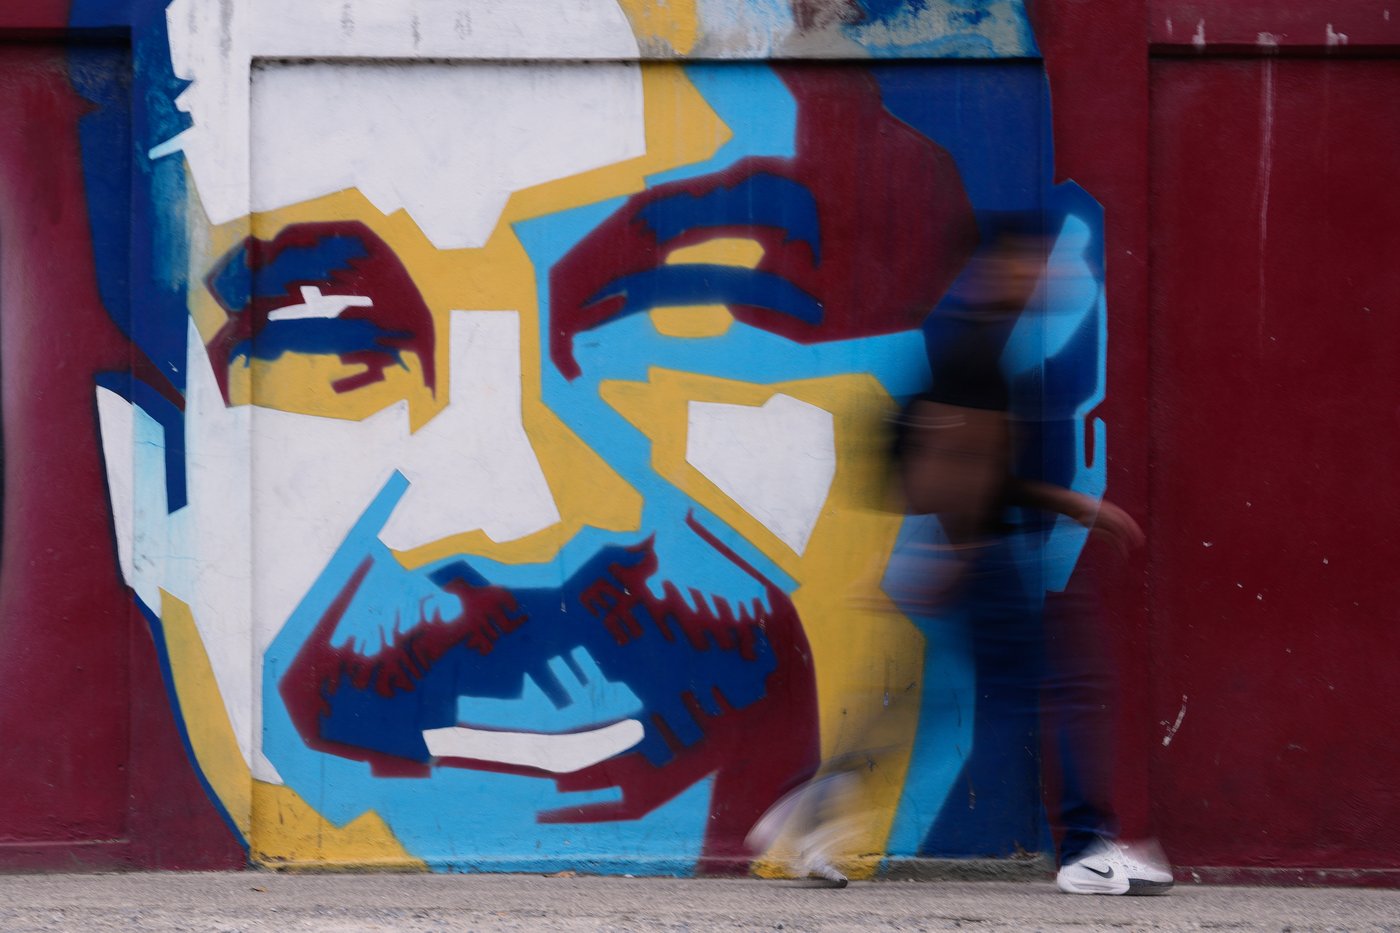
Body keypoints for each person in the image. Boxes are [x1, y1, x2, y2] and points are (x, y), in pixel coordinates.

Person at [889, 217, 1173, 894]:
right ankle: (1086, 851)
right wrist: (964, 546)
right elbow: (955, 462)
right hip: (983, 553)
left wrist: (1071, 506)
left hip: (981, 550)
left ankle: (816, 811)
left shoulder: (978, 342)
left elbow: (966, 462)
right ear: (1001, 268)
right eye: (1035, 264)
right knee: (1068, 685)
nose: (1050, 276)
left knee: (978, 696)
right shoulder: (973, 349)